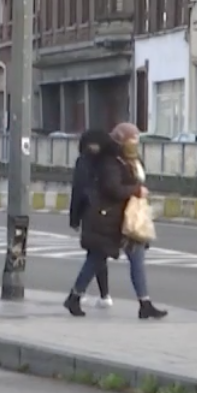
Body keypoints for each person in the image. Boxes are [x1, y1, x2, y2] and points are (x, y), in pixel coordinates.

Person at [63, 124, 168, 319]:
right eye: (132, 140)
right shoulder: (110, 162)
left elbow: (135, 180)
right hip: (109, 218)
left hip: (128, 219)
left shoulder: (132, 160)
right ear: (121, 141)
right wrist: (135, 190)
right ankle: (74, 297)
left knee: (136, 259)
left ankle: (145, 303)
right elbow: (112, 188)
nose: (135, 144)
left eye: (137, 140)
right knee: (95, 259)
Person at [68, 130, 112, 309]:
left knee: (96, 254)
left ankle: (78, 294)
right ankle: (103, 295)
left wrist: (74, 218)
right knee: (98, 254)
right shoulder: (109, 161)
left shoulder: (84, 162)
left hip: (90, 214)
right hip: (108, 213)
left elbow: (78, 191)